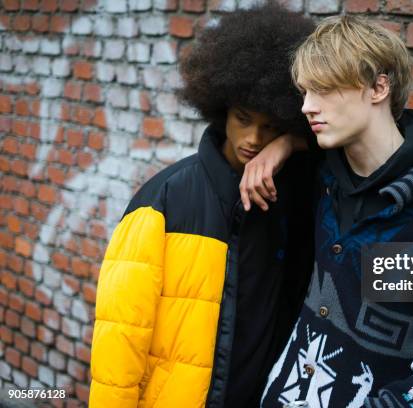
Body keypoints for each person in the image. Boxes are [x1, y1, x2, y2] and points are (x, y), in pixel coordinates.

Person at [241, 15, 413, 408]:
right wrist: (281, 145)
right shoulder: (324, 180)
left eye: (325, 90)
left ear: (379, 87)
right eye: (305, 92)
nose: (307, 106)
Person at [88, 4, 316, 407]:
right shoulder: (164, 201)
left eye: (272, 128)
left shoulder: (292, 192)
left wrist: (290, 145)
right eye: (243, 119)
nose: (254, 138)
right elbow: (120, 338)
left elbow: (374, 143)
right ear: (221, 107)